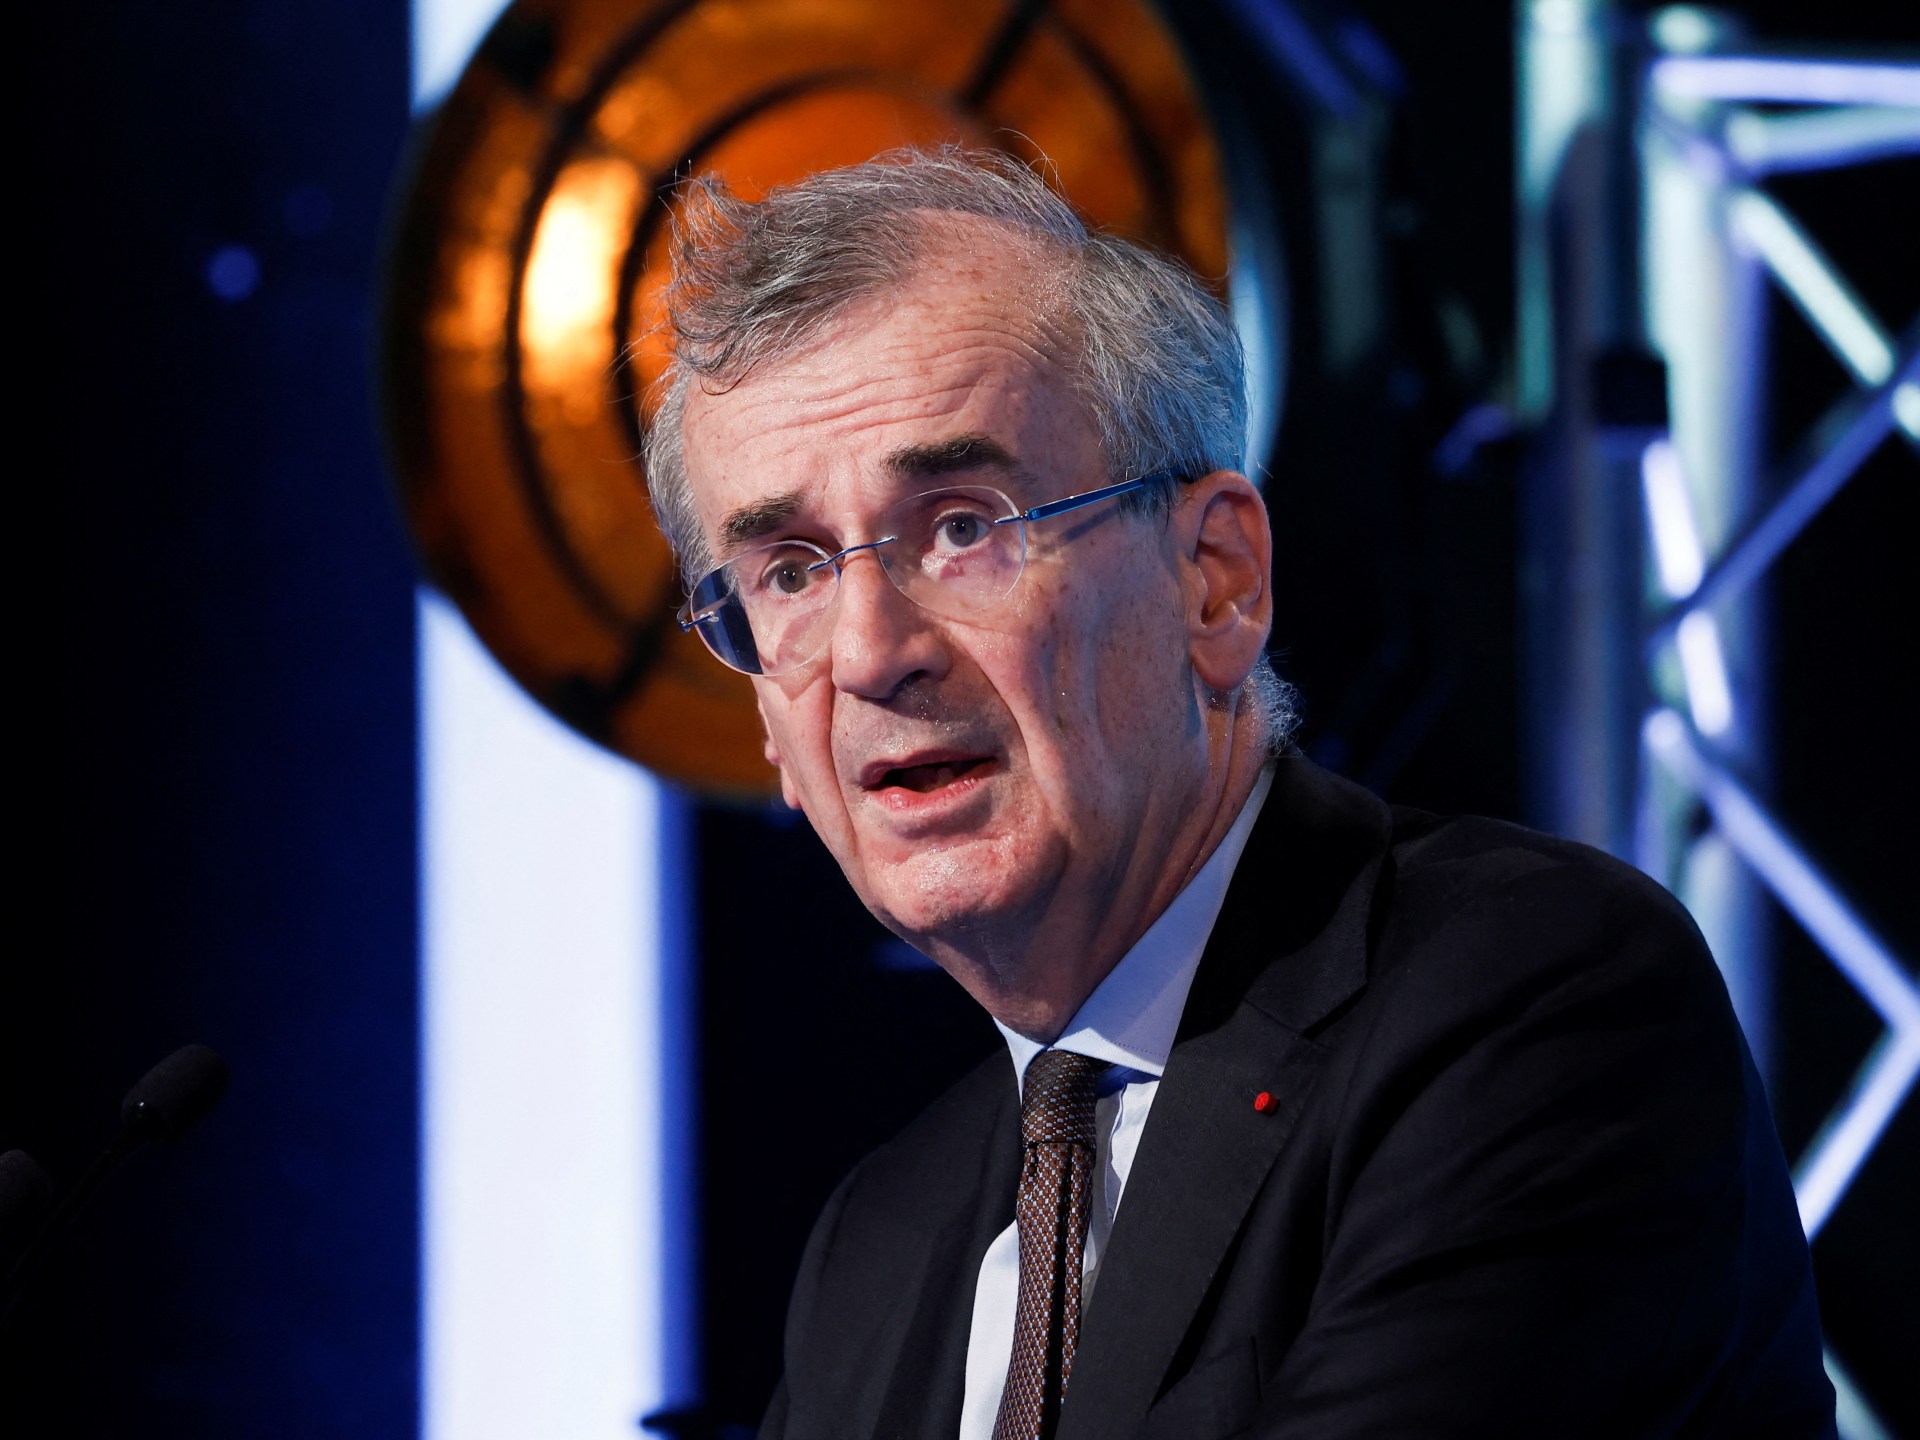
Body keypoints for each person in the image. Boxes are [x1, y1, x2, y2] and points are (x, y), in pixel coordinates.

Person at [642, 148, 1834, 1440]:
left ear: (1215, 582)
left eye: (964, 526)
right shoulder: (880, 1248)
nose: (871, 652)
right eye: (790, 573)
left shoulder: (1531, 1007)